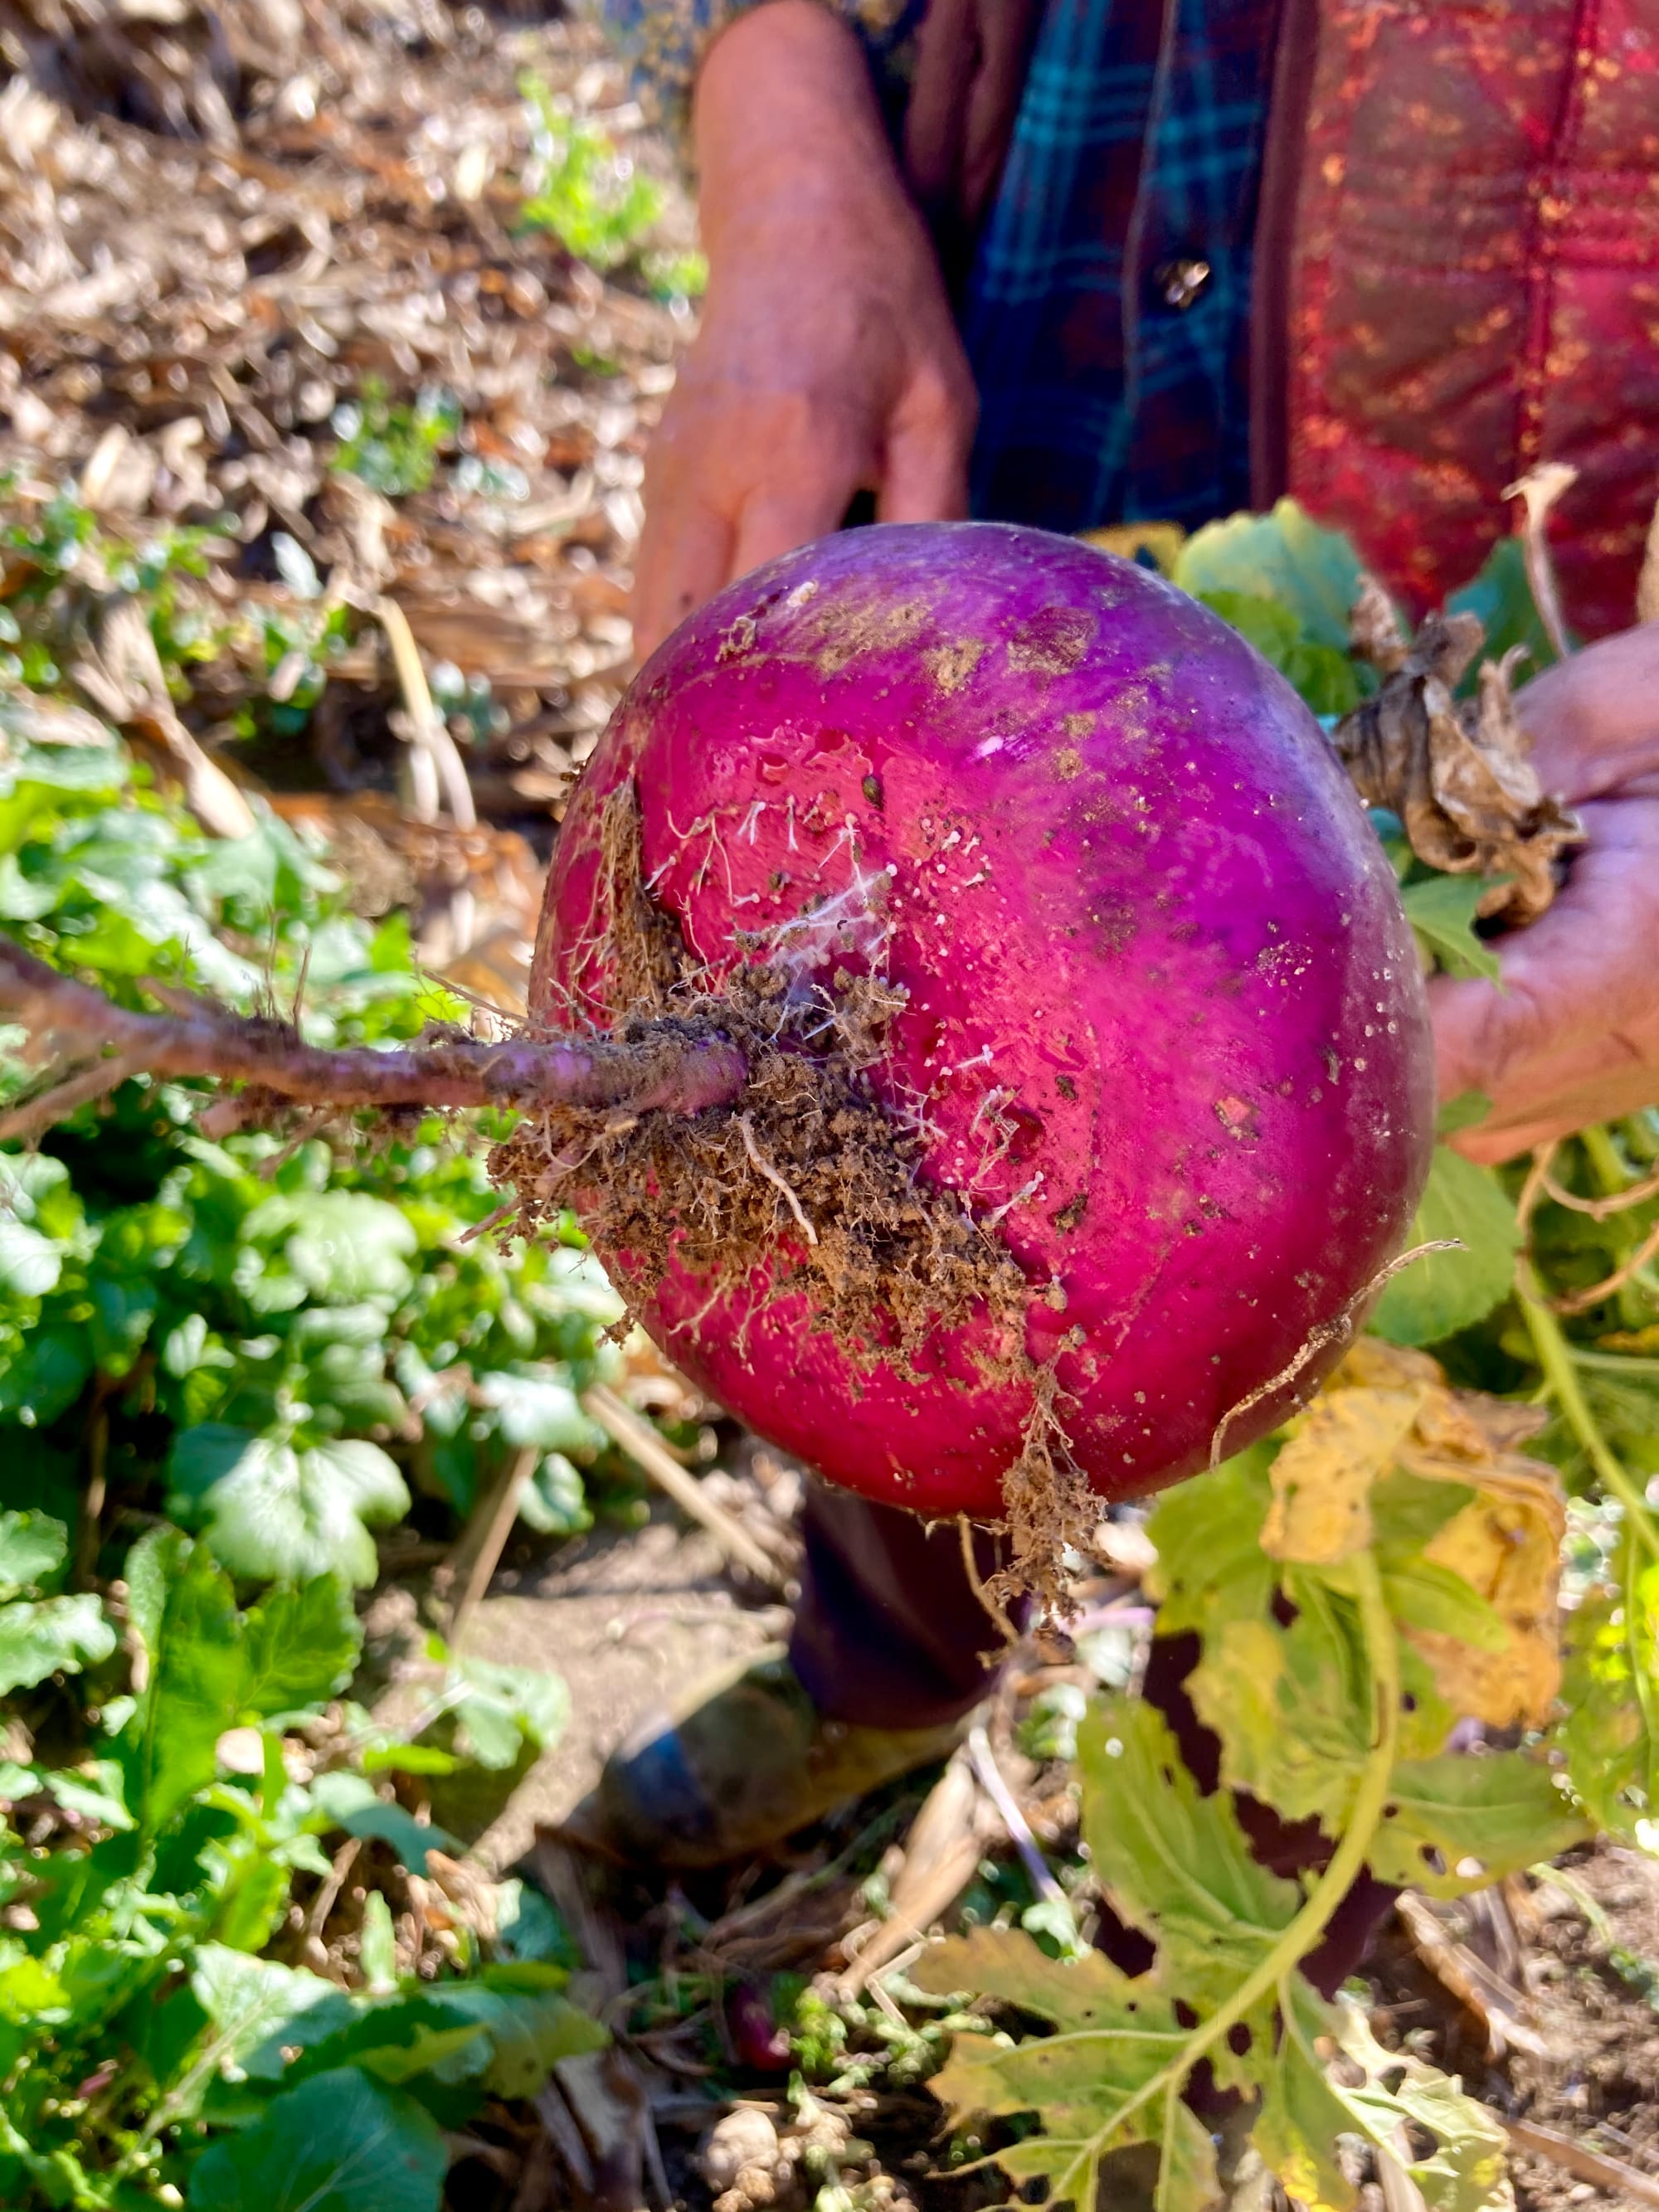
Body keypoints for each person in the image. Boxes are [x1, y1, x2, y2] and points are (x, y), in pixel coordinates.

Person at [566, 0, 1659, 1874]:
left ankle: (1252, 1872)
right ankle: (884, 1674)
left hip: (1566, 646)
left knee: (1390, 1468)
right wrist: (785, 139)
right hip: (1024, 382)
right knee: (898, 1273)